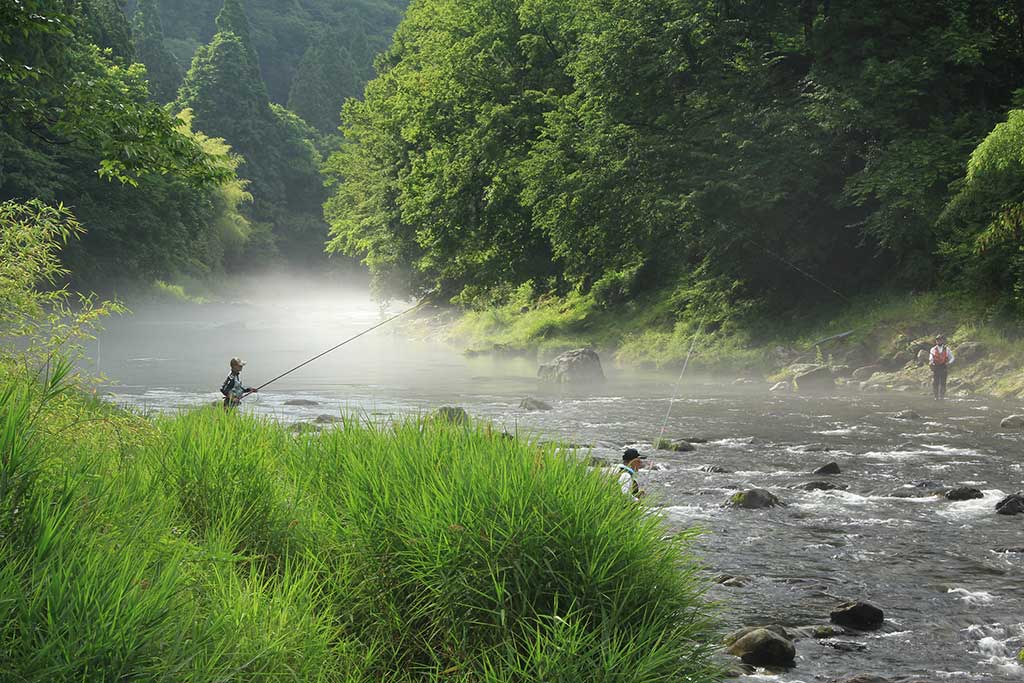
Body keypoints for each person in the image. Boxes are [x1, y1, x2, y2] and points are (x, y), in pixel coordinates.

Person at [928, 334, 955, 401]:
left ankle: (942, 397)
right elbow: (931, 358)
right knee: (935, 382)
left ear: (942, 341)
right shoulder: (933, 349)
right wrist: (931, 362)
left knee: (943, 383)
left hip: (944, 367)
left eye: (940, 340)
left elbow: (952, 358)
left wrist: (949, 363)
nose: (939, 341)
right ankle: (936, 397)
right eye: (937, 340)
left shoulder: (947, 349)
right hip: (936, 367)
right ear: (936, 341)